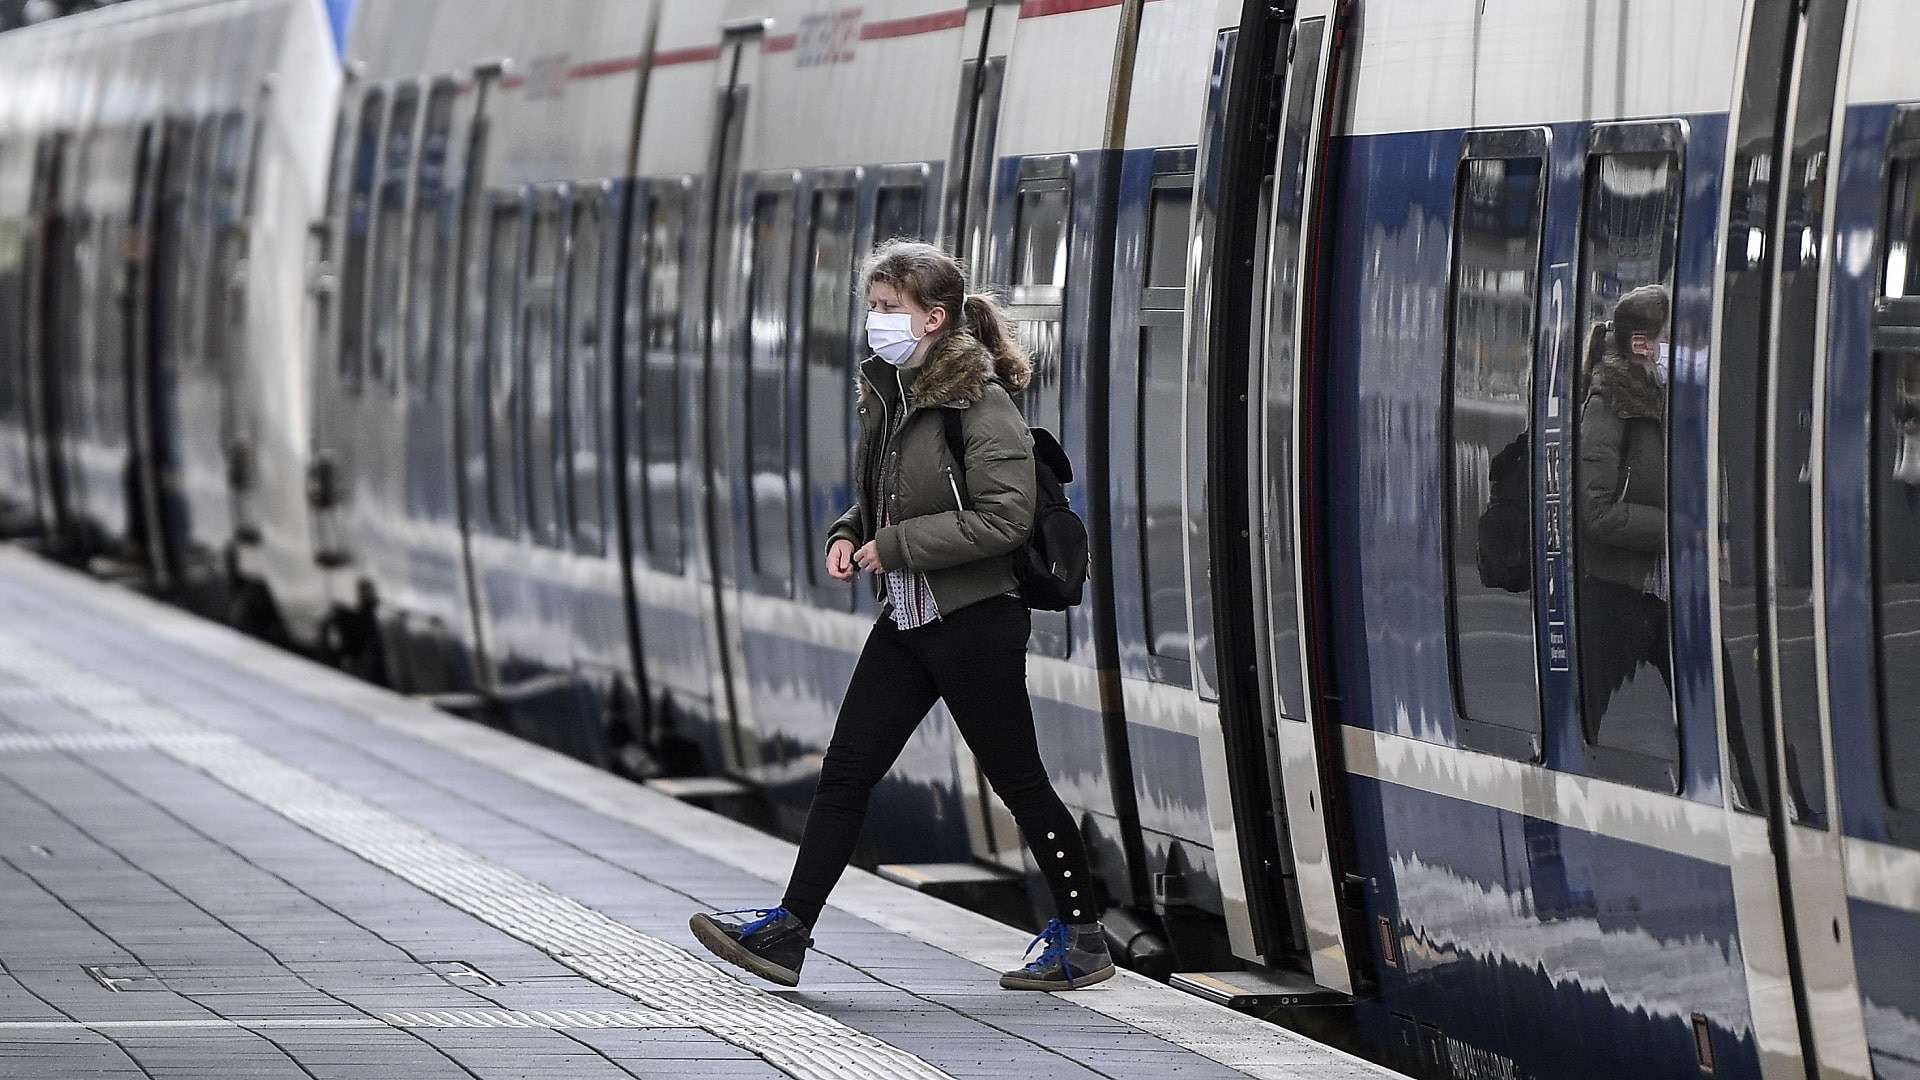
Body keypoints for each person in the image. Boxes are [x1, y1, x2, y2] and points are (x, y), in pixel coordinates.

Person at [690, 240, 1114, 992]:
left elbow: (1005, 521)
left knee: (1018, 779)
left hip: (976, 619)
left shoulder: (980, 407)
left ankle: (1083, 936)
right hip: (912, 616)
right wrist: (850, 534)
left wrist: (894, 545)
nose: (876, 322)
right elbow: (889, 496)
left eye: (891, 309)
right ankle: (790, 931)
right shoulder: (893, 394)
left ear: (934, 318)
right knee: (848, 769)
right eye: (874, 307)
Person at [1575, 283, 1673, 743]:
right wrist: (1669, 529)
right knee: (1588, 716)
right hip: (1618, 595)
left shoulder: (1661, 403)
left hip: (1667, 593)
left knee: (1722, 702)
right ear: (1642, 344)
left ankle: (1760, 792)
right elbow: (1594, 512)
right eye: (1669, 337)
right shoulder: (1607, 406)